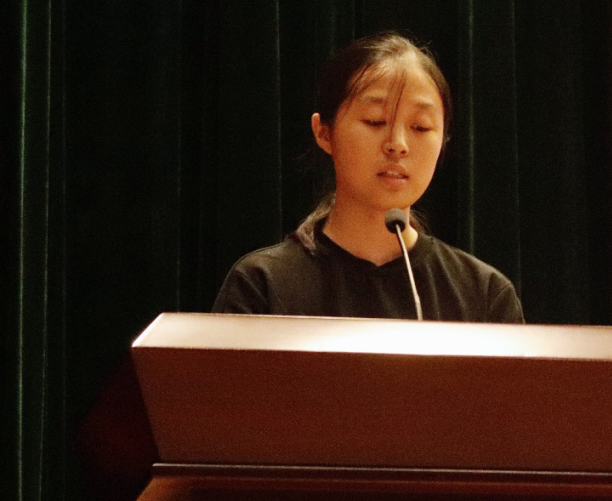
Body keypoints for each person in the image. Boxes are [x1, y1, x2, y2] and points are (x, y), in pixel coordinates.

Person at [212, 32, 524, 323]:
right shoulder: (262, 287)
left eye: (420, 127)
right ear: (324, 132)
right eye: (375, 121)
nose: (398, 144)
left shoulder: (484, 296)